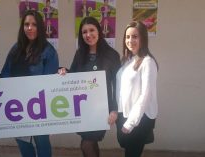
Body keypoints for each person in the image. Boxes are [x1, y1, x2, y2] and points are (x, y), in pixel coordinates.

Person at [58, 16, 120, 157]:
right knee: (88, 143)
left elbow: (117, 86)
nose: (88, 35)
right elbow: (73, 76)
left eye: (91, 30)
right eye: (84, 32)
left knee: (87, 143)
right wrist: (63, 71)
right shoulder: (80, 54)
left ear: (99, 31)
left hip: (102, 109)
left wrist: (115, 110)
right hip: (84, 108)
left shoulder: (112, 55)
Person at [1, 10, 59, 157]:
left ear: (40, 27)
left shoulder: (49, 51)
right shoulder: (16, 49)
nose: (30, 28)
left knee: (42, 141)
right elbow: (6, 73)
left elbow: (49, 81)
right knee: (23, 142)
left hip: (39, 105)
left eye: (34, 24)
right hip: (17, 106)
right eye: (26, 24)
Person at [115, 21, 159, 157]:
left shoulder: (147, 62)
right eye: (127, 37)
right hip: (125, 114)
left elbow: (145, 95)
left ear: (143, 39)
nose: (130, 40)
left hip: (139, 119)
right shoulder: (127, 61)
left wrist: (131, 123)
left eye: (135, 36)